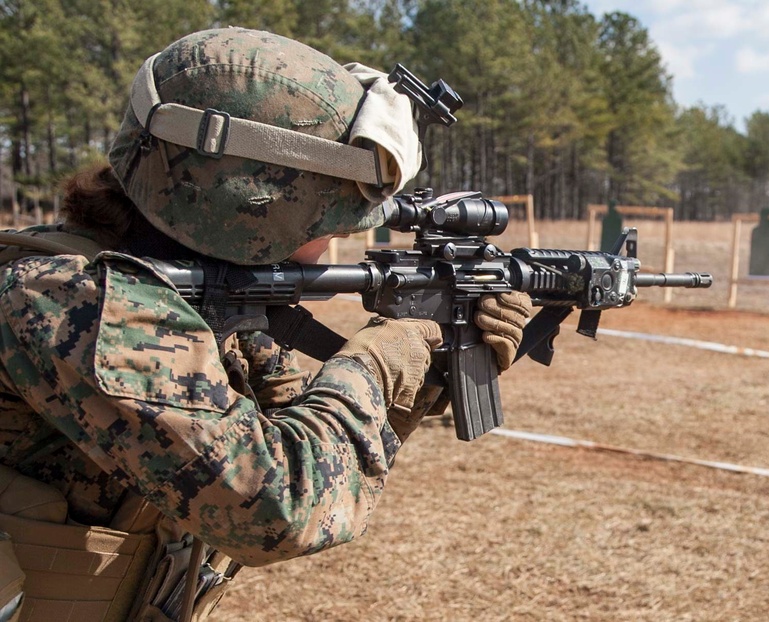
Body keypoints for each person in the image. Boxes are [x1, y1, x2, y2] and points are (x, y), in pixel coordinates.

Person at [0, 27, 531, 622]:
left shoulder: (193, 293)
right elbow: (276, 507)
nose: (330, 245)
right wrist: (383, 361)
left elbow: (298, 429)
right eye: (325, 218)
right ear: (248, 206)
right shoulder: (69, 298)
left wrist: (433, 364)